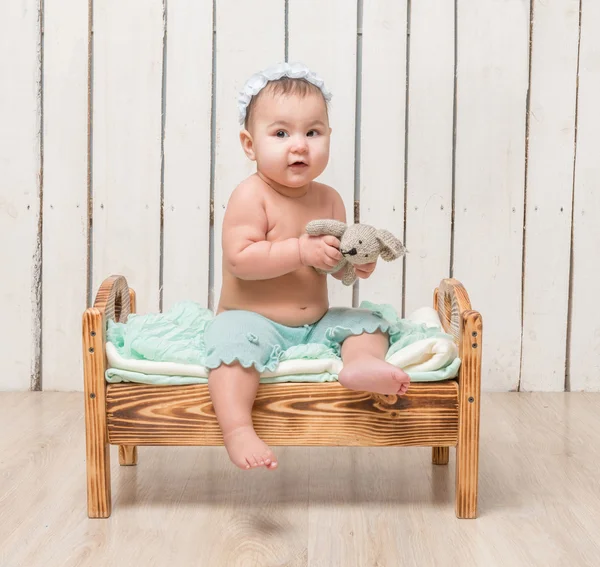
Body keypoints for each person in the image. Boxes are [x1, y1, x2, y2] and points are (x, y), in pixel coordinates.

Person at [204, 63, 410, 471]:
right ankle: (237, 428)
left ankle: (362, 363)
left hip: (314, 322)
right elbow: (240, 260)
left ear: (328, 138)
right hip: (251, 319)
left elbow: (331, 263)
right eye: (281, 134)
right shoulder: (251, 196)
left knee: (367, 321)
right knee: (228, 347)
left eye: (312, 133)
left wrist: (353, 263)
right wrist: (300, 251)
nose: (299, 146)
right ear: (250, 144)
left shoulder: (329, 198)